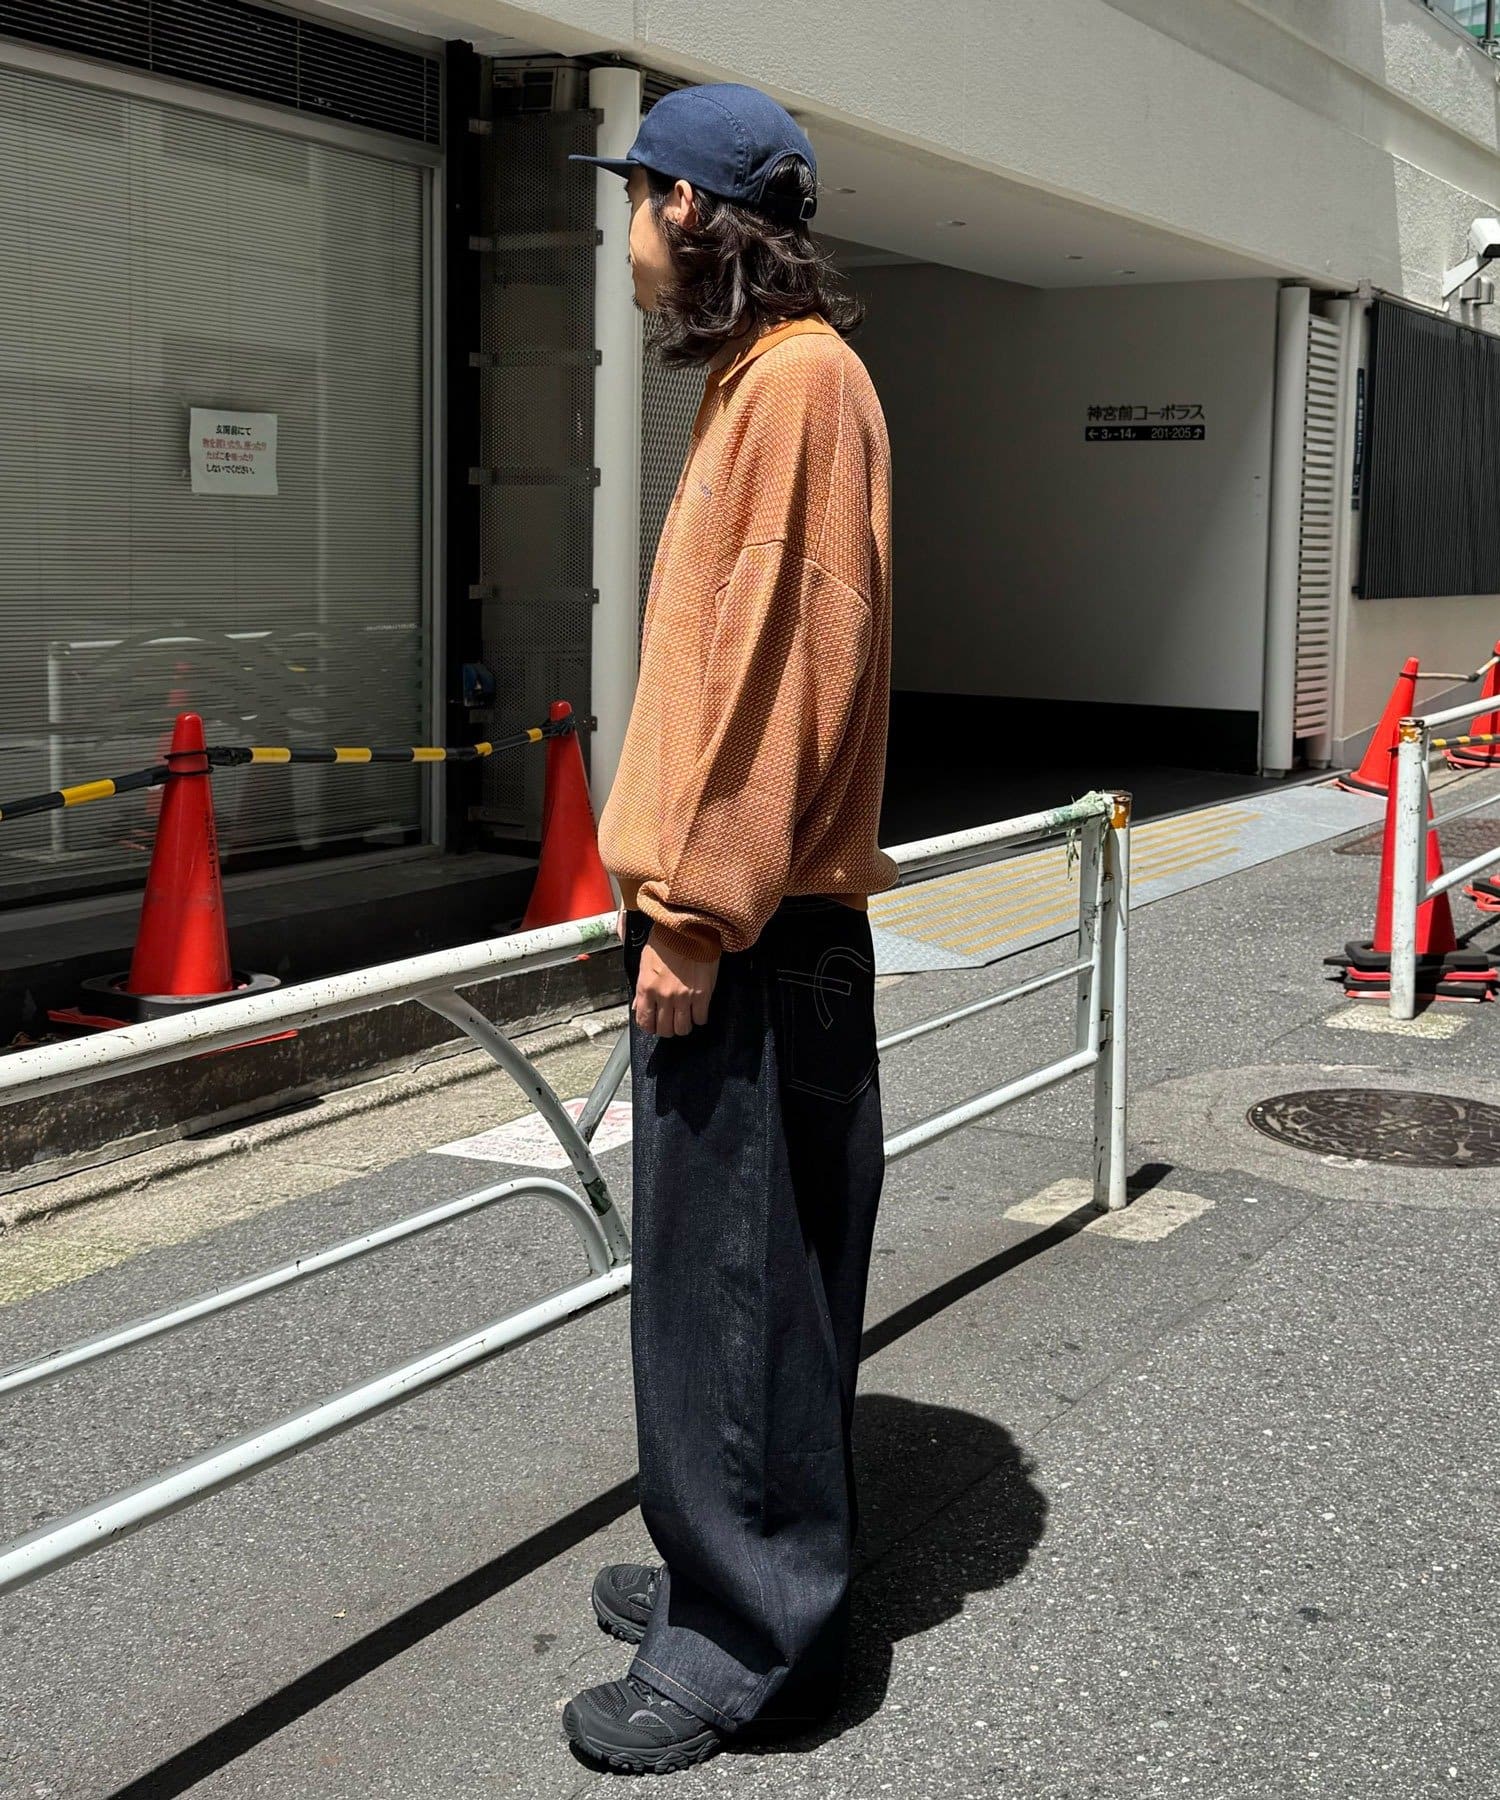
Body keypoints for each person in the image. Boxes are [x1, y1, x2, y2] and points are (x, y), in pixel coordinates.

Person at [560, 83, 897, 1775]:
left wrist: (692, 914)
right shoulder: (769, 381)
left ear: (691, 210)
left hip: (749, 936)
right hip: (759, 926)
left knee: (739, 1290)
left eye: (632, 201)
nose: (622, 236)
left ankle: (752, 1641)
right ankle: (733, 1569)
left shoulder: (800, 386)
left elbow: (775, 673)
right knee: (749, 1282)